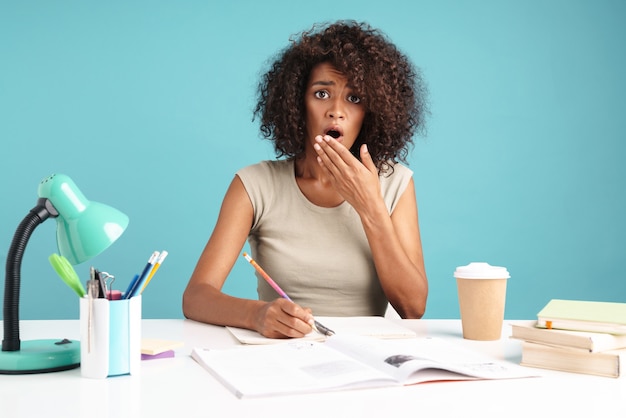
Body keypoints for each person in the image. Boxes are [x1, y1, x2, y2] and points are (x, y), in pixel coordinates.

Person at [183, 20, 429, 338]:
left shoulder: (396, 183)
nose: (336, 111)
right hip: (281, 356)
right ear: (297, 105)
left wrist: (370, 206)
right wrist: (257, 315)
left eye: (354, 99)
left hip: (365, 361)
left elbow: (413, 307)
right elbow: (196, 297)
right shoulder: (254, 185)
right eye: (322, 93)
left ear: (372, 112)